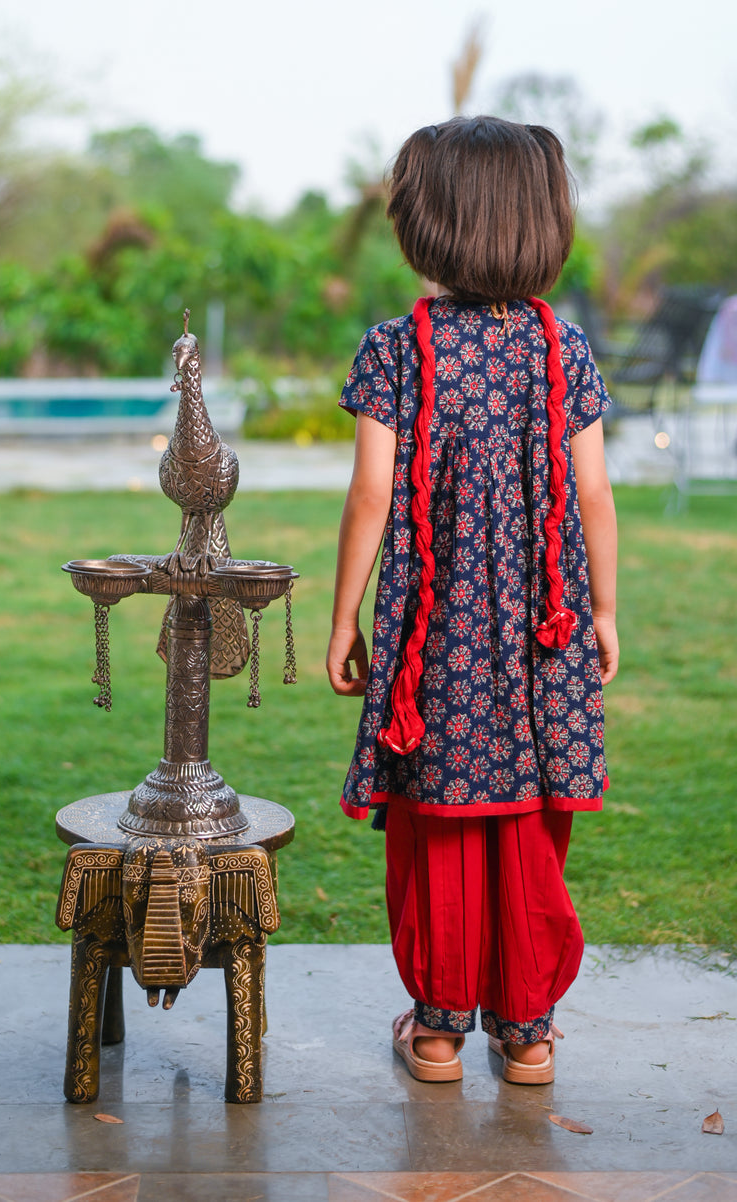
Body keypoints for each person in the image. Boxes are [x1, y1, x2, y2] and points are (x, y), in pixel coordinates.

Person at [326, 116, 618, 1086]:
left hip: (435, 638)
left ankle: (442, 1028)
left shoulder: (394, 347)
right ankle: (527, 1031)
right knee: (530, 816)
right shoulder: (558, 347)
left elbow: (370, 495)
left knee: (440, 816)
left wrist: (344, 617)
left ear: (429, 224)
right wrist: (604, 610)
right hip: (547, 626)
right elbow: (590, 494)